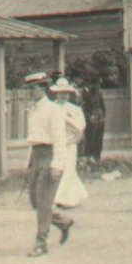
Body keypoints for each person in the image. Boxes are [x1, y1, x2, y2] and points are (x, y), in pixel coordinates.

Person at [24, 72, 75, 257]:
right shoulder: (33, 110)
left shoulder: (53, 110)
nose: (30, 92)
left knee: (44, 202)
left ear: (43, 88)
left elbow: (59, 139)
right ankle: (62, 222)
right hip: (36, 157)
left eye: (33, 88)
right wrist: (28, 164)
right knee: (35, 201)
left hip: (50, 156)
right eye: (29, 88)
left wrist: (57, 165)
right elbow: (33, 140)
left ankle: (41, 242)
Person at [50, 78, 89, 209]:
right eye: (60, 92)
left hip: (70, 143)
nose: (63, 95)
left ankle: (62, 199)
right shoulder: (51, 108)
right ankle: (70, 196)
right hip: (56, 143)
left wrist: (73, 135)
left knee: (69, 169)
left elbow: (81, 126)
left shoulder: (74, 109)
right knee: (59, 169)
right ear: (56, 93)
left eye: (65, 92)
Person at [82, 77, 106, 163]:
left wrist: (102, 116)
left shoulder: (99, 93)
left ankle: (97, 157)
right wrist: (89, 117)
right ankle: (89, 157)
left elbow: (103, 106)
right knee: (91, 138)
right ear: (91, 85)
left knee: (99, 139)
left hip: (100, 119)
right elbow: (84, 108)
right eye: (95, 84)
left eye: (98, 84)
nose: (96, 86)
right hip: (91, 119)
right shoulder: (86, 94)